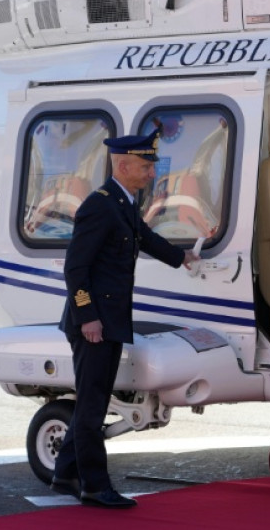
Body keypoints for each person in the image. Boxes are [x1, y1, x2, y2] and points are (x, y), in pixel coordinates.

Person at [50, 130, 199, 508]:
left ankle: (66, 472)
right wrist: (88, 317)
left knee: (93, 398)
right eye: (147, 166)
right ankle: (95, 486)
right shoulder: (99, 205)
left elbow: (143, 237)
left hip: (110, 318)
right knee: (93, 404)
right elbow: (75, 268)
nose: (152, 173)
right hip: (94, 323)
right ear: (124, 164)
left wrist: (181, 257)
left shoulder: (124, 201)